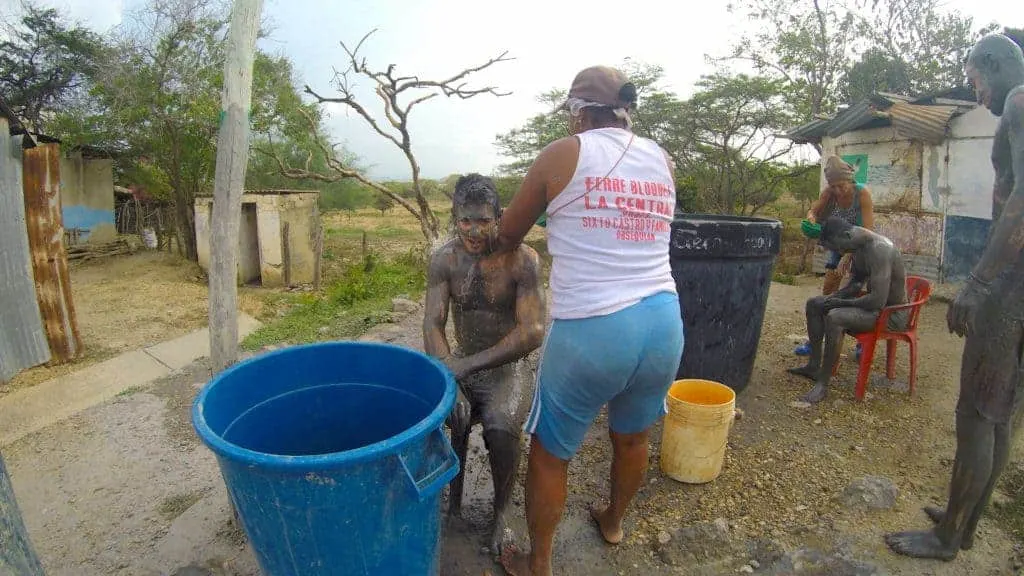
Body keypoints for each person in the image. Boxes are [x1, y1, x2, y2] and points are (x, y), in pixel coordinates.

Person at [488, 65, 684, 576]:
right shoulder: (663, 159)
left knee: (551, 453)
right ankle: (613, 521)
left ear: (580, 111)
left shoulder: (563, 153)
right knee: (635, 436)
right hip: (663, 320)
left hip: (594, 328)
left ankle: (539, 562)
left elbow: (509, 233)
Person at [885, 33, 1024, 561]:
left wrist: (982, 282)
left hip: (1011, 283)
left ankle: (948, 539)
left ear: (992, 66)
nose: (977, 93)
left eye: (974, 80)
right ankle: (962, 522)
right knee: (1003, 413)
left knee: (976, 412)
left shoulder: (1018, 99)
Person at [422, 173, 546, 555]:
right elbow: (432, 323)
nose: (473, 230)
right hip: (460, 364)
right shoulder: (444, 259)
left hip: (507, 367)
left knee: (501, 426)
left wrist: (467, 366)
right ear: (454, 217)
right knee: (449, 419)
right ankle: (452, 505)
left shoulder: (522, 260)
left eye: (483, 220)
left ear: (499, 217)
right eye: (465, 220)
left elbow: (532, 332)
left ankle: (503, 511)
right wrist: (449, 371)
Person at [787, 217, 908, 404]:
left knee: (835, 317)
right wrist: (835, 298)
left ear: (846, 235)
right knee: (814, 303)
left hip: (891, 315)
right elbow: (856, 284)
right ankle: (813, 366)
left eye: (838, 247)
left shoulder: (879, 249)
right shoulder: (857, 246)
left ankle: (823, 384)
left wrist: (840, 304)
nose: (839, 252)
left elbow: (877, 300)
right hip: (876, 310)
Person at [795, 156, 875, 357]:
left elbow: (868, 231)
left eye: (841, 185)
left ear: (850, 180)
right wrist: (811, 218)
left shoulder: (862, 193)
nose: (838, 190)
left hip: (862, 246)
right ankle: (815, 342)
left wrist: (848, 256)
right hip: (838, 246)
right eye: (833, 186)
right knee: (828, 293)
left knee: (857, 293)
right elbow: (814, 210)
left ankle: (862, 344)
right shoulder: (829, 193)